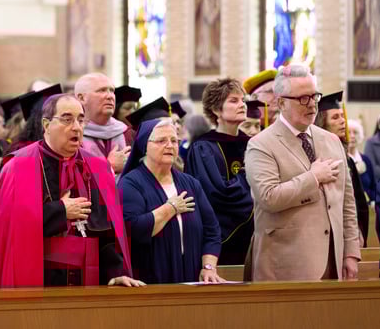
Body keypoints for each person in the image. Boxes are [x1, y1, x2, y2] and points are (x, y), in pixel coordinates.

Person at [0, 93, 140, 288]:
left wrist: (115, 273)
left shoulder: (97, 168)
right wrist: (61, 211)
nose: (76, 127)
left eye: (81, 120)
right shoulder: (18, 167)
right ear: (46, 125)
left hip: (88, 283)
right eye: (67, 119)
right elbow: (12, 230)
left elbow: (106, 233)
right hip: (37, 281)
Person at [245, 65, 361, 281]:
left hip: (332, 261)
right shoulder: (260, 145)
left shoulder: (332, 140)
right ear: (281, 102)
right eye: (302, 98)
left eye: (314, 96)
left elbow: (347, 202)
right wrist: (313, 177)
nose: (312, 105)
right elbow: (268, 197)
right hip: (286, 265)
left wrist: (351, 252)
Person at [118, 118, 224, 284]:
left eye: (174, 140)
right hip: (149, 280)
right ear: (145, 146)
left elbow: (212, 230)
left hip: (192, 276)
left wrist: (208, 266)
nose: (170, 145)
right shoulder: (131, 184)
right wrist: (170, 208)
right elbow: (133, 229)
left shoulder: (190, 183)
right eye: (161, 140)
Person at [185, 78, 253, 265]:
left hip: (255, 238)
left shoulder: (252, 145)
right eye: (234, 100)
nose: (242, 105)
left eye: (243, 100)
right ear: (216, 110)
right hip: (220, 242)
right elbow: (215, 193)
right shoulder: (203, 148)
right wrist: (248, 176)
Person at [314, 91, 370, 246]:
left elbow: (359, 201)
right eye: (335, 117)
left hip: (349, 232)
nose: (342, 121)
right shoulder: (315, 158)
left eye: (342, 115)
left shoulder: (348, 159)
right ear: (322, 123)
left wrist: (358, 231)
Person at [74, 73, 131, 175]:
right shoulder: (72, 135)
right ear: (82, 98)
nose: (110, 96)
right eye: (102, 90)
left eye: (112, 91)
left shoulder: (128, 133)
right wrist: (109, 166)